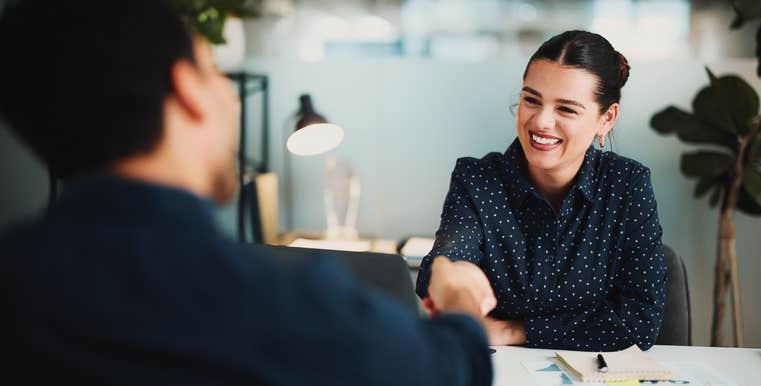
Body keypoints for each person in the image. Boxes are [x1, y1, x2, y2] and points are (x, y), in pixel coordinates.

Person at [0, 1, 496, 385]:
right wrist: (458, 299)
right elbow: (449, 369)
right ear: (187, 90)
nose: (230, 96)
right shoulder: (278, 306)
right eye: (214, 71)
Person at [416, 30, 667, 352]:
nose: (542, 122)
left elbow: (640, 321)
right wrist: (460, 302)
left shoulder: (627, 185)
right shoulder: (478, 179)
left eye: (566, 109)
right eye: (531, 100)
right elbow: (448, 269)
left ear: (606, 119)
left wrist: (510, 331)